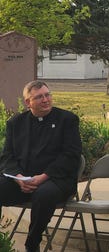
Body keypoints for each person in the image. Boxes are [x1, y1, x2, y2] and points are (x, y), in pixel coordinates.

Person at [0, 80, 82, 252]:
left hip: (56, 179)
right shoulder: (16, 123)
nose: (46, 100)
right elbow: (7, 157)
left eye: (47, 95)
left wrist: (43, 177)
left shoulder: (67, 120)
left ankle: (32, 243)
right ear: (28, 102)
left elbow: (70, 156)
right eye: (39, 97)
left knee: (43, 194)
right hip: (23, 180)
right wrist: (19, 178)